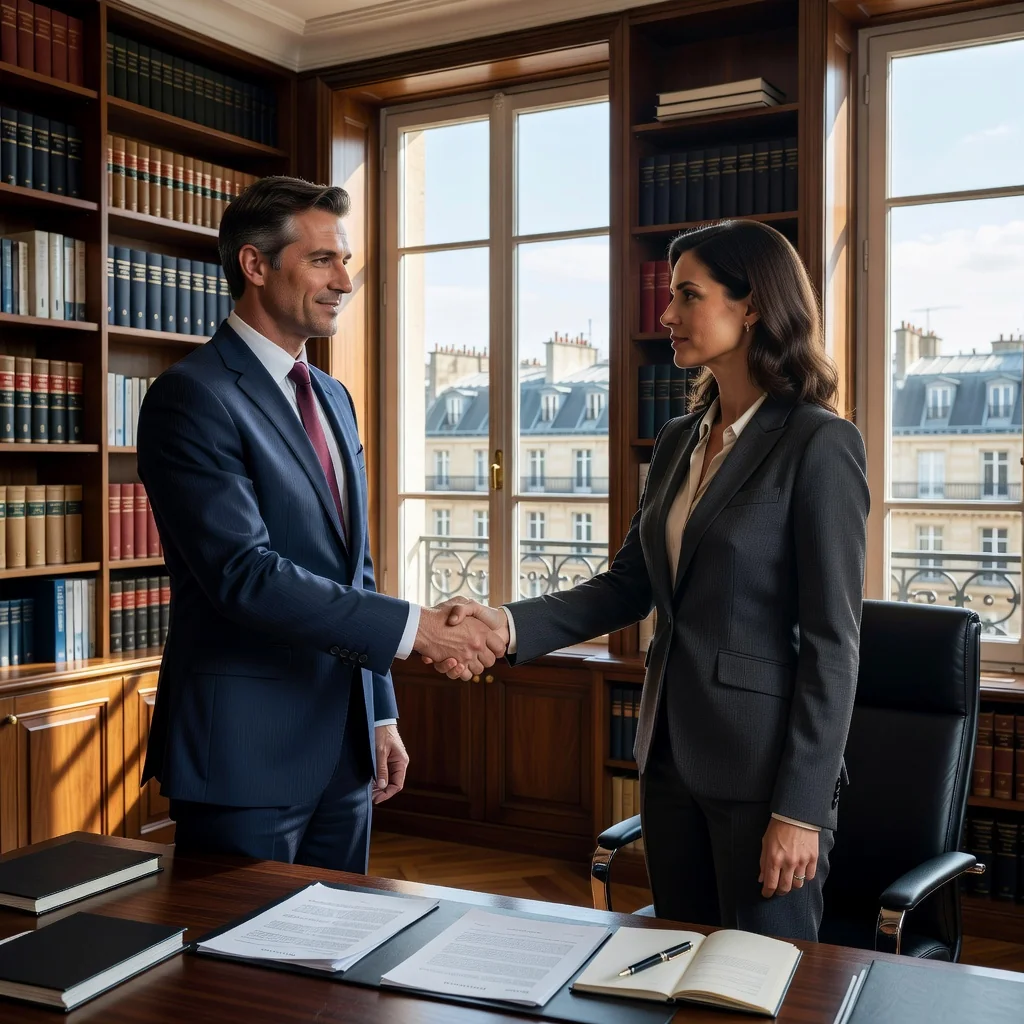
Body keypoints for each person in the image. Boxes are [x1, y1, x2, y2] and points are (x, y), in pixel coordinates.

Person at [435, 220, 868, 940]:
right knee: (679, 968)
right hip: (668, 756)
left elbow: (834, 643)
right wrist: (504, 625)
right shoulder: (677, 440)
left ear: (752, 305)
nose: (664, 316)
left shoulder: (819, 443)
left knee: (764, 982)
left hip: (765, 777)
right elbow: (628, 585)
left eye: (686, 296)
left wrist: (800, 808)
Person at [137, 176, 506, 872]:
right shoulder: (191, 397)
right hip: (245, 756)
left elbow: (351, 568)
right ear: (254, 265)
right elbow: (244, 576)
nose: (344, 280)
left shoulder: (332, 397)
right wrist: (418, 630)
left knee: (338, 966)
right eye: (322, 261)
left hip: (344, 750)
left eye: (345, 261)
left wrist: (379, 713)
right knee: (236, 972)